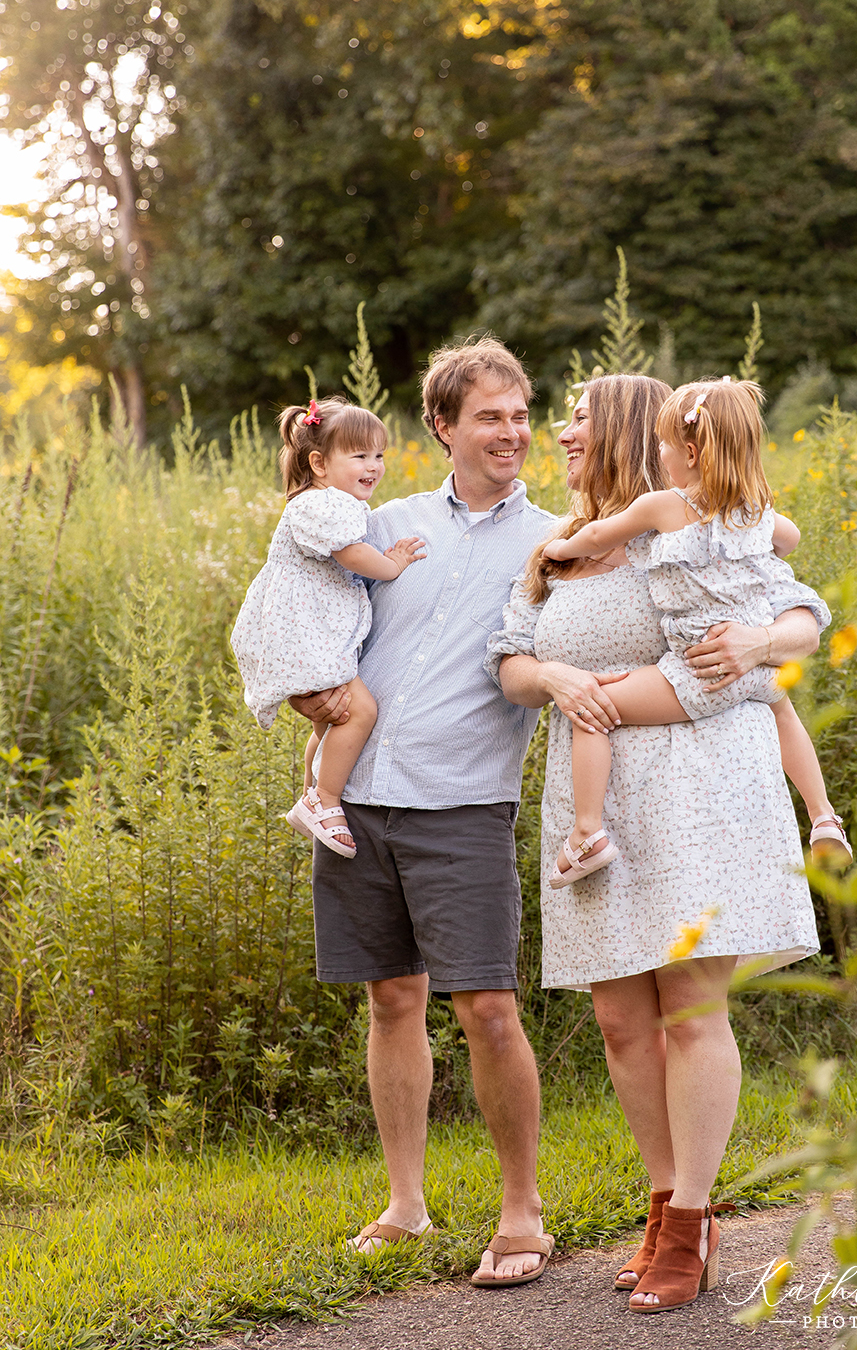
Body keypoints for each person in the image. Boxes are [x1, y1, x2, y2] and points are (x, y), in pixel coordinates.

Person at [490, 373, 829, 1314]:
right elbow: (510, 659)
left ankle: (689, 1220)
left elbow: (799, 614)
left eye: (579, 417)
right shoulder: (554, 547)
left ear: (635, 430)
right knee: (619, 1019)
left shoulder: (688, 523)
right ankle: (662, 1202)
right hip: (594, 795)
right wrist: (553, 672)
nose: (561, 431)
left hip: (699, 782)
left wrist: (761, 644)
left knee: (686, 1002)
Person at [288, 338, 559, 1286]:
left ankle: (521, 1214)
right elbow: (305, 616)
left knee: (487, 1005)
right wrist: (301, 696)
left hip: (463, 802)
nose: (512, 432)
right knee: (390, 999)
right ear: (442, 428)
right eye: (489, 416)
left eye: (519, 414)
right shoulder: (379, 522)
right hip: (356, 799)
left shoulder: (556, 541)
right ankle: (406, 1204)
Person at [540, 376, 849, 887]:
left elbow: (596, 534)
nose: (658, 452)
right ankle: (821, 816)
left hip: (697, 668)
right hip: (756, 667)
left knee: (593, 707)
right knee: (784, 715)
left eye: (663, 443)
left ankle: (587, 833)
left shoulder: (664, 507)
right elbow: (789, 540)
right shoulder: (754, 513)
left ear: (687, 451)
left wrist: (560, 551)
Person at [231, 397, 424, 856]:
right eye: (359, 455)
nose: (373, 466)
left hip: (309, 630)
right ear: (318, 464)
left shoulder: (331, 501)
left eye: (378, 454)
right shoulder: (321, 505)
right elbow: (352, 555)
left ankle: (309, 796)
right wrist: (392, 563)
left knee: (326, 725)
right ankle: (325, 798)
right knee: (360, 711)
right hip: (302, 633)